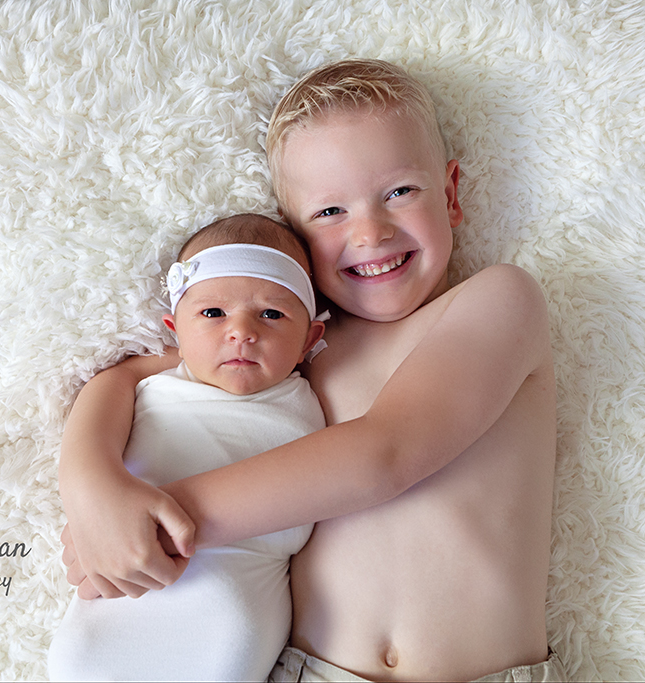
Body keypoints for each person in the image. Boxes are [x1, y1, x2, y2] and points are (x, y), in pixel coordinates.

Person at [58, 59, 565, 682]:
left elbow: (385, 453)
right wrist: (91, 487)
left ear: (451, 194)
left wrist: (159, 523)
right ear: (295, 238)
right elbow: (126, 376)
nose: (370, 233)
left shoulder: (498, 301)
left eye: (400, 192)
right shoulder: (292, 349)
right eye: (329, 212)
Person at [49, 214, 328, 681]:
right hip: (114, 603)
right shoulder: (153, 383)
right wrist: (93, 486)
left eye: (272, 314)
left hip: (228, 624)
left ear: (309, 339)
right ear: (175, 330)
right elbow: (104, 397)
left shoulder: (314, 400)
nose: (241, 331)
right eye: (213, 313)